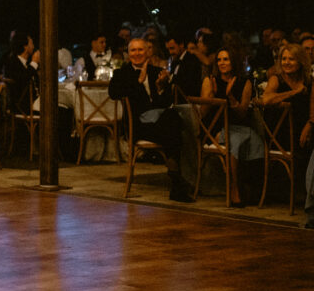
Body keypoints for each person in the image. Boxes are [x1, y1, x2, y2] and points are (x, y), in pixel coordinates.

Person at [108, 38, 193, 203]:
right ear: (128, 53)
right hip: (138, 126)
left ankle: (176, 181)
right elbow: (113, 93)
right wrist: (138, 82)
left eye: (140, 50)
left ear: (147, 52)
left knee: (172, 118)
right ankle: (176, 180)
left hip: (160, 124)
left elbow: (167, 103)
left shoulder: (156, 71)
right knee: (174, 126)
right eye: (133, 50)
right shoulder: (122, 73)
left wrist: (162, 88)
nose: (137, 54)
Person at [200, 48, 264, 207]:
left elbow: (242, 113)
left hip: (240, 126)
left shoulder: (244, 82)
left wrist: (230, 97)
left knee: (257, 143)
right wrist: (212, 96)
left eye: (226, 59)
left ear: (233, 62)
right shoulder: (210, 80)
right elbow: (202, 113)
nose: (222, 63)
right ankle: (234, 190)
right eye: (219, 60)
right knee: (233, 143)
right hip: (216, 128)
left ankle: (254, 190)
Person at [2, 31, 39, 113]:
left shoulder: (26, 63)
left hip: (34, 102)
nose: (33, 47)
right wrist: (35, 62)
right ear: (25, 47)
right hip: (23, 107)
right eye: (31, 44)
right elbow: (23, 80)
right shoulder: (12, 63)